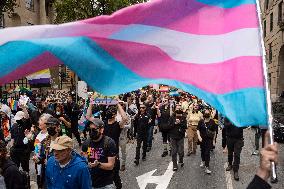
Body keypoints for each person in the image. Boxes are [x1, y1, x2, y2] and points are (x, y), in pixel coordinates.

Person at [81, 118, 117, 189]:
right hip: (90, 182)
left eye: (94, 129)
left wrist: (98, 165)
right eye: (90, 129)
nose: (91, 132)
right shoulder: (86, 143)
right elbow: (85, 160)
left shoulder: (109, 143)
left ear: (101, 130)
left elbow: (110, 166)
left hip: (106, 183)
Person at [197, 109, 217, 174]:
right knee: (202, 151)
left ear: (210, 114)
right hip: (202, 140)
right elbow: (198, 129)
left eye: (208, 113)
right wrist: (199, 136)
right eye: (206, 113)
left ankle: (207, 167)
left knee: (207, 153)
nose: (207, 114)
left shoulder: (212, 122)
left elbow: (214, 132)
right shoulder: (201, 121)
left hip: (209, 140)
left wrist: (214, 140)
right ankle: (203, 161)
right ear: (204, 114)